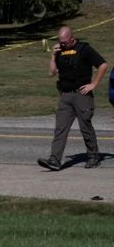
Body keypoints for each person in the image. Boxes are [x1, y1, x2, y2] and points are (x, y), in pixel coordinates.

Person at [38, 26, 108, 171]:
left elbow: (103, 64)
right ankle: (55, 160)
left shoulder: (84, 49)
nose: (62, 44)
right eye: (60, 41)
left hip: (82, 94)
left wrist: (94, 84)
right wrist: (53, 55)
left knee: (85, 127)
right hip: (65, 95)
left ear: (72, 38)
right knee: (60, 129)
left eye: (64, 41)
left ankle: (93, 156)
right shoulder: (60, 51)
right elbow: (51, 72)